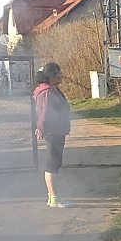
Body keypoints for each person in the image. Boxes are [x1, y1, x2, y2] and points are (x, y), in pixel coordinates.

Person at [32, 63, 72, 208]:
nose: (61, 75)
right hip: (53, 132)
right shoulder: (47, 92)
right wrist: (41, 129)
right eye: (58, 73)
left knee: (54, 164)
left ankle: (52, 198)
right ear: (51, 76)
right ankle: (55, 199)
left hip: (57, 131)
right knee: (52, 165)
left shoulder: (53, 90)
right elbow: (45, 114)